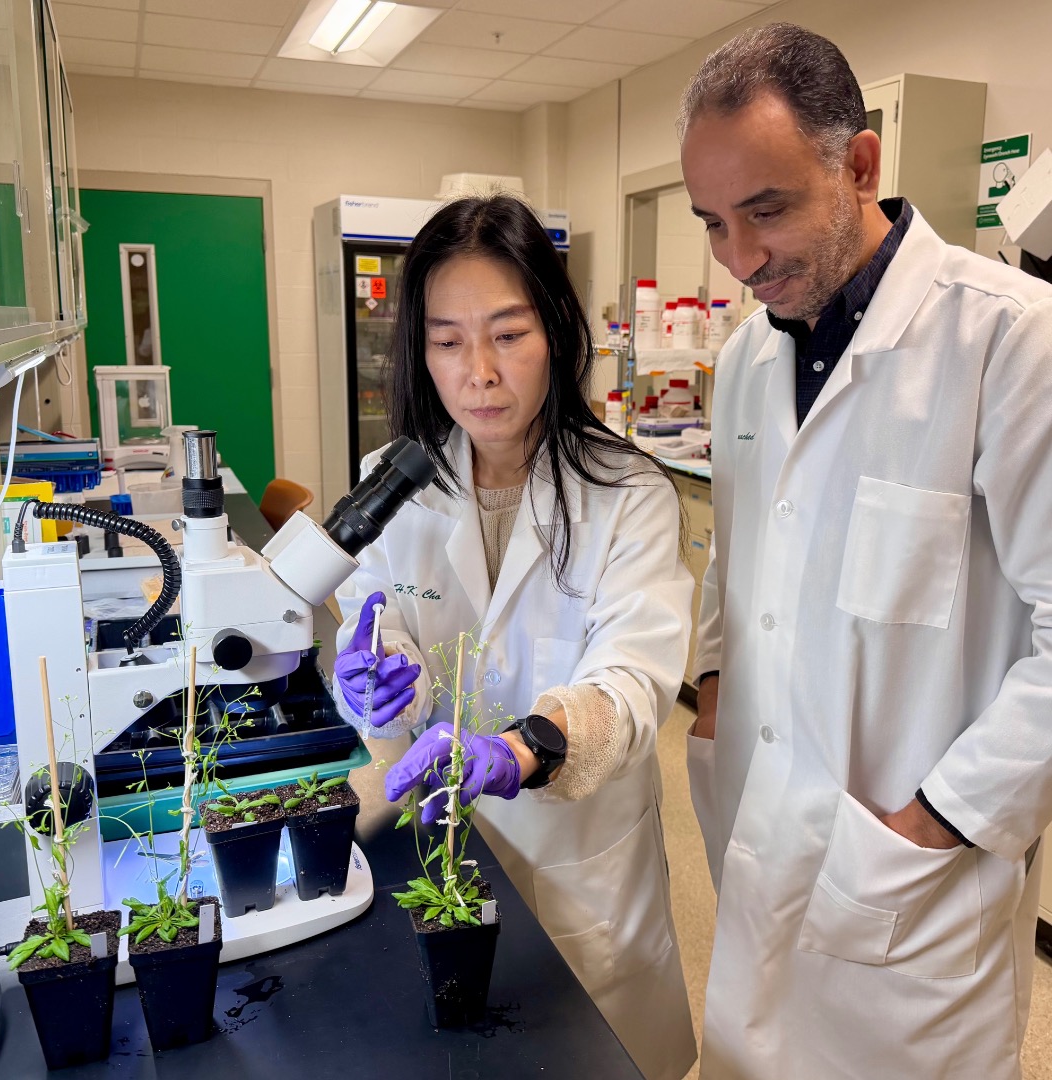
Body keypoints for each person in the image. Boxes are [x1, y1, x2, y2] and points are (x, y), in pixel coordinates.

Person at [680, 22, 1052, 1080]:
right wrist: (711, 692)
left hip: (912, 882)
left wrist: (938, 822)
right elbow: (739, 557)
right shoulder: (748, 357)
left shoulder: (1011, 340)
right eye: (714, 223)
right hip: (766, 831)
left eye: (767, 211)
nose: (740, 260)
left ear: (859, 164)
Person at [331, 193, 698, 1080]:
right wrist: (374, 676)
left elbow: (632, 682)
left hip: (581, 864)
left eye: (508, 333)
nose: (479, 373)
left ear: (557, 333)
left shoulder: (628, 494)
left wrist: (526, 748)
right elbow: (373, 620)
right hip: (438, 846)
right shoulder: (392, 483)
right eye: (448, 340)